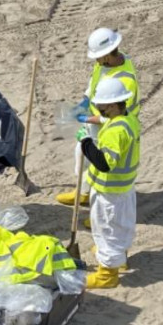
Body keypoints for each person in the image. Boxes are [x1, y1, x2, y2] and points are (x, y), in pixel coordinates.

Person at [56, 27, 140, 208]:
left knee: (98, 162)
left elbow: (114, 116)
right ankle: (84, 192)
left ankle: (96, 202)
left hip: (110, 128)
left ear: (108, 54)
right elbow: (94, 84)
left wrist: (84, 119)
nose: (95, 60)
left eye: (98, 56)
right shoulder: (105, 64)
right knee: (81, 155)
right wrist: (83, 104)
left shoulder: (125, 81)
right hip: (96, 121)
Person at [76, 77, 140, 289]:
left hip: (109, 192)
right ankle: (118, 258)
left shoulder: (115, 132)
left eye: (102, 107)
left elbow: (104, 163)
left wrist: (85, 142)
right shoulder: (127, 119)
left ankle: (107, 275)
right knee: (120, 227)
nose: (99, 110)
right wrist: (90, 120)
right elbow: (107, 122)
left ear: (113, 105)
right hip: (123, 189)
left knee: (106, 229)